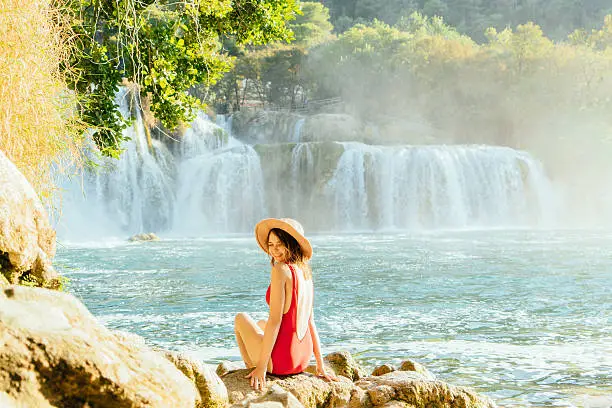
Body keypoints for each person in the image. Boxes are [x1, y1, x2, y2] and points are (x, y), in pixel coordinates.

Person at [234, 218, 337, 390]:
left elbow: (276, 321)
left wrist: (261, 367)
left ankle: (253, 370)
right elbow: (310, 322)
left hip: (282, 363)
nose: (274, 250)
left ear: (292, 243)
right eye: (270, 244)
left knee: (241, 318)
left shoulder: (280, 270)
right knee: (260, 324)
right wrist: (320, 364)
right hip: (301, 359)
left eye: (279, 244)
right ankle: (261, 365)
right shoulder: (305, 272)